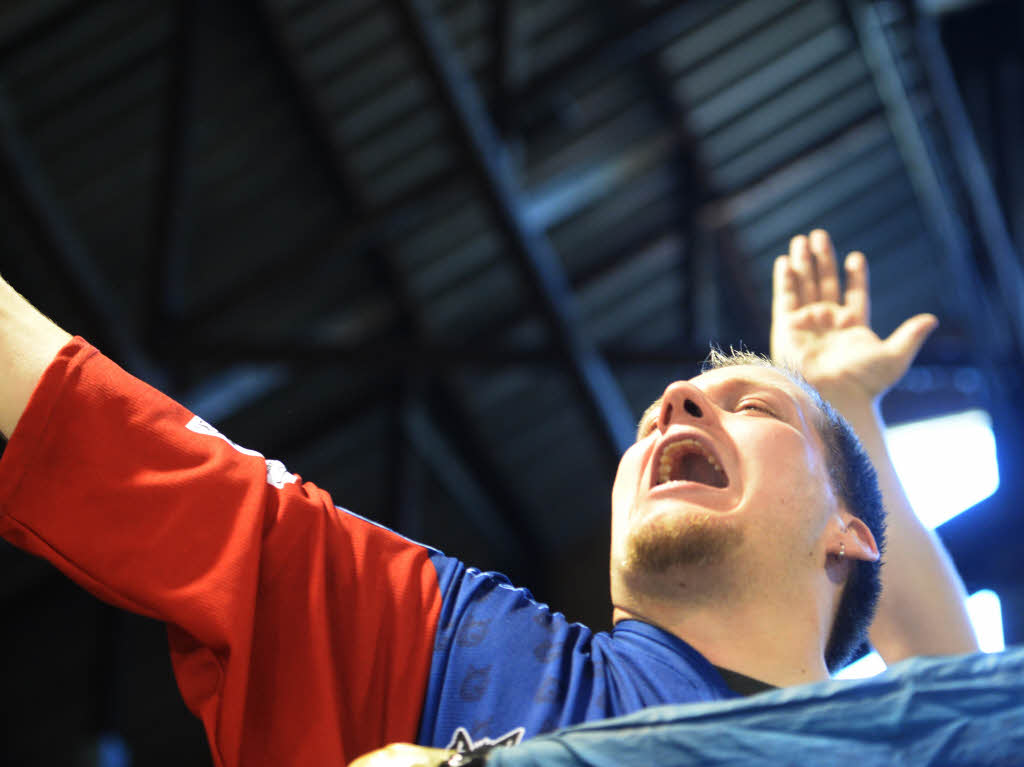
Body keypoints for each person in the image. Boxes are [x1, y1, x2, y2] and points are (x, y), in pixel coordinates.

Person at [0, 230, 977, 767]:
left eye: (750, 402)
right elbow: (138, 451)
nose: (671, 401)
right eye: (659, 413)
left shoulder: (904, 741)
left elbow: (959, 693)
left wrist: (844, 410)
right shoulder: (465, 645)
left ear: (848, 535)